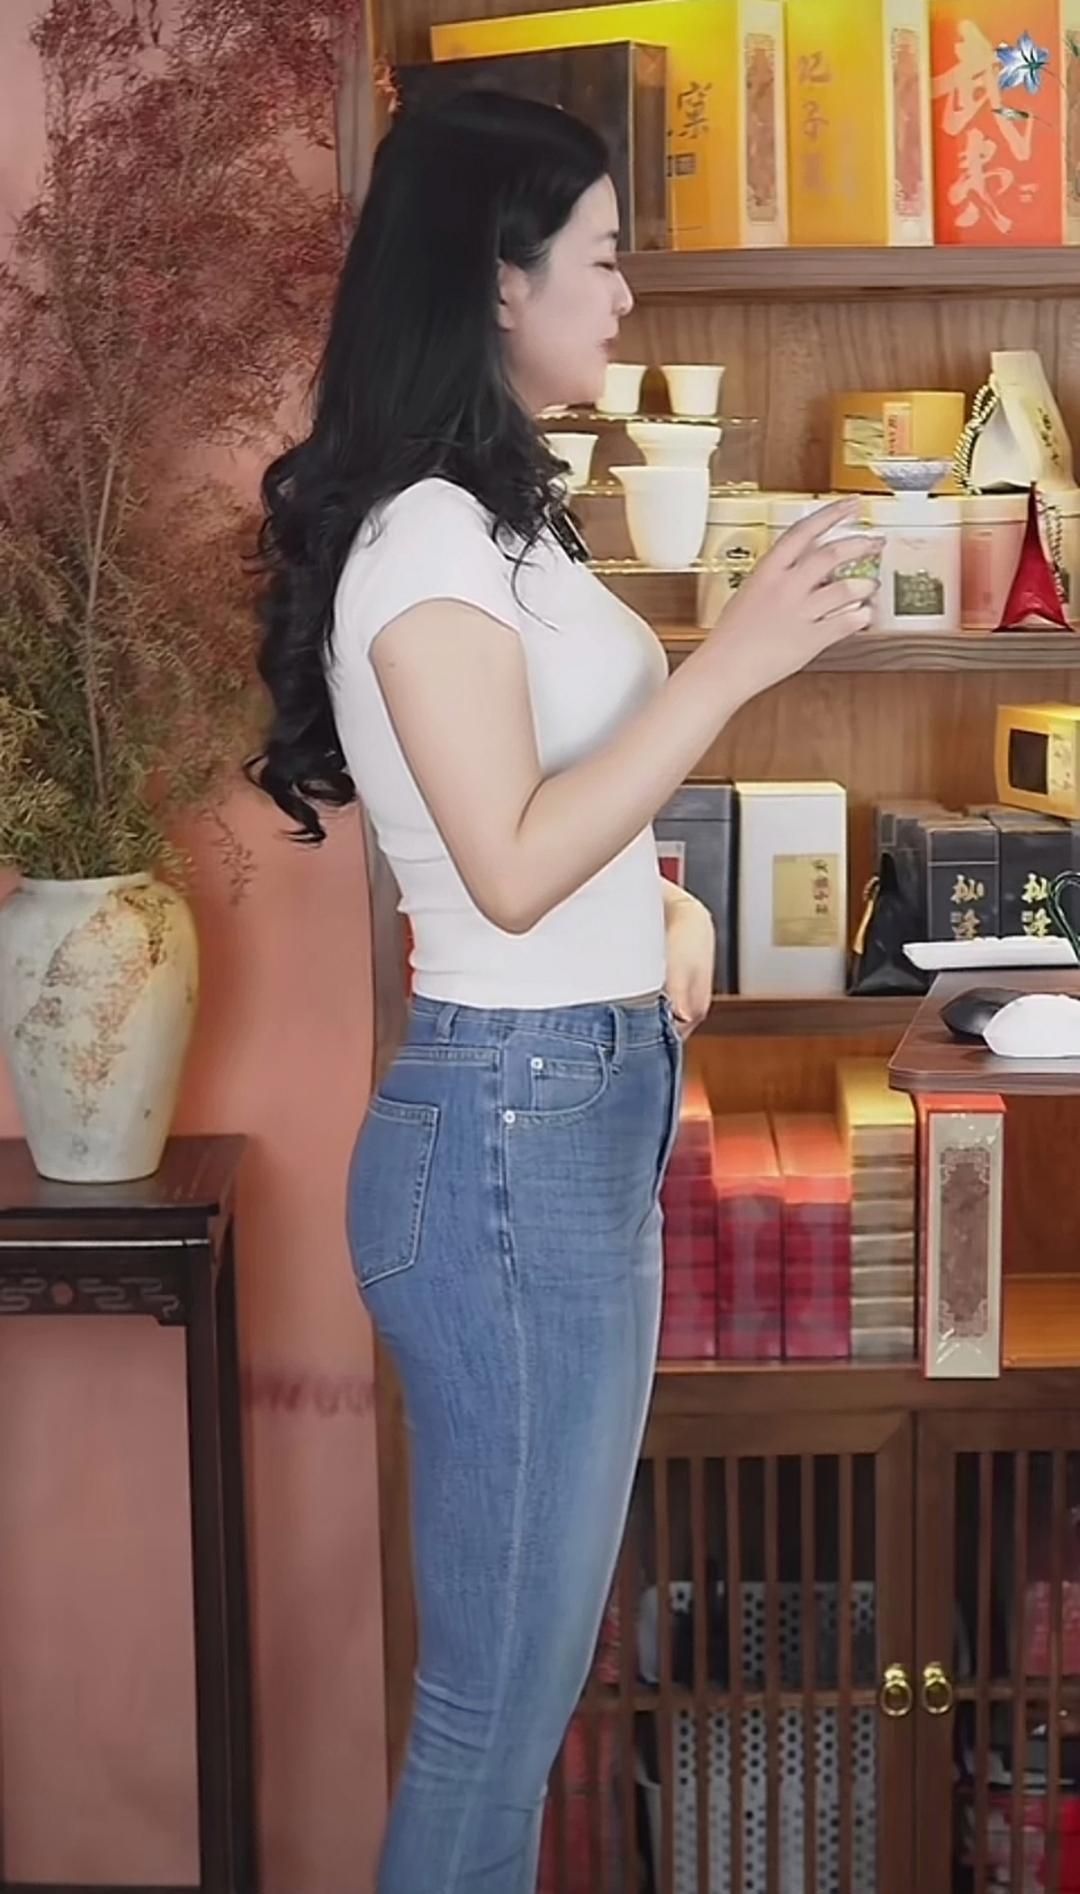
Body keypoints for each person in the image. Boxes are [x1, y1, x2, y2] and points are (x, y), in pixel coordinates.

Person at [249, 89, 878, 1894]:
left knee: (521, 1704)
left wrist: (659, 902)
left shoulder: (502, 522)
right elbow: (508, 863)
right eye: (601, 257)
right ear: (496, 276)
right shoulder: (423, 542)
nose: (624, 295)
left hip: (563, 1115)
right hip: (508, 1142)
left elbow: (548, 832)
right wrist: (735, 663)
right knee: (493, 1718)